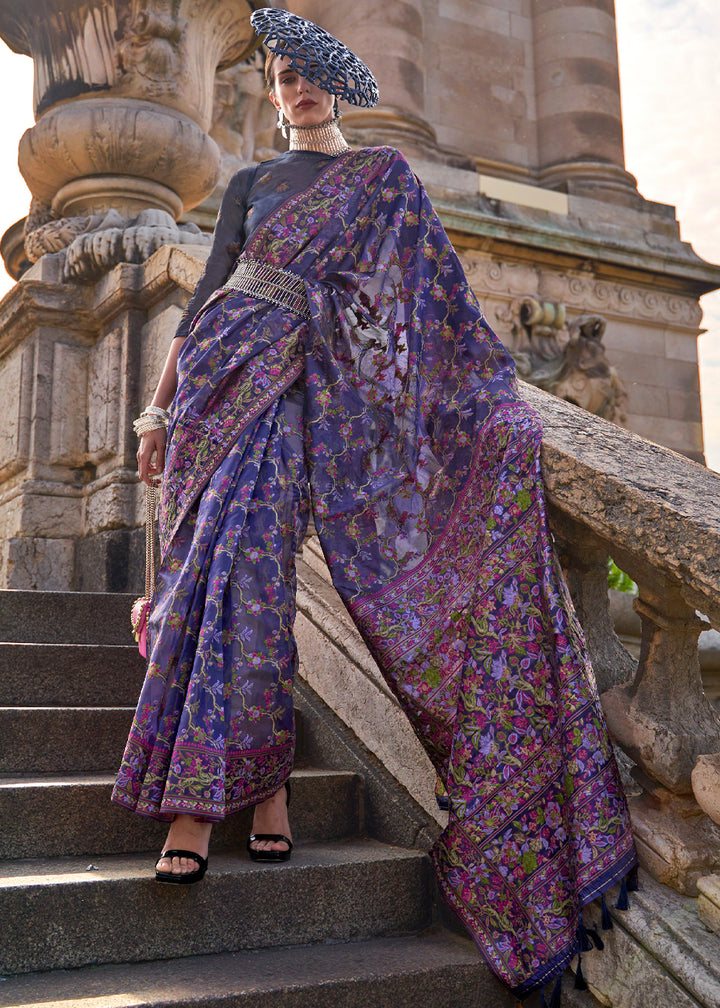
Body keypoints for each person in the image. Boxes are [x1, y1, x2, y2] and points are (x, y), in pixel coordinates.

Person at [112, 8, 637, 1001]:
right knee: (200, 592)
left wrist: (491, 403)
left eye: (309, 73)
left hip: (301, 409)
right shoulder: (251, 185)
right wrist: (154, 410)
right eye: (280, 76)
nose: (294, 88)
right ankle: (261, 791)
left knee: (252, 593)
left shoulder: (383, 183)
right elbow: (210, 293)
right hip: (214, 396)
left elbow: (428, 305)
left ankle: (201, 809)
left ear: (336, 83)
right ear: (269, 90)